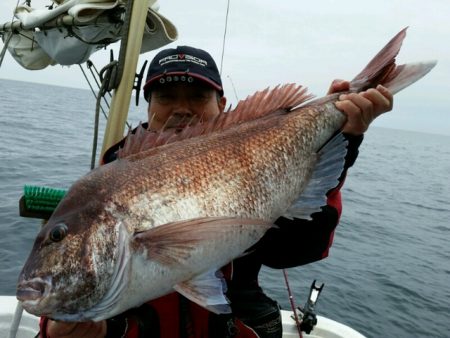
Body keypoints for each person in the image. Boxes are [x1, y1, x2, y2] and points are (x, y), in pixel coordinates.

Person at [41, 45, 393, 338]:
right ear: (148, 105)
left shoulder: (254, 155)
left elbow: (297, 250)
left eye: (198, 95)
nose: (181, 108)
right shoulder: (110, 181)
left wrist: (344, 139)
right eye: (166, 96)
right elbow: (78, 283)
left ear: (221, 104)